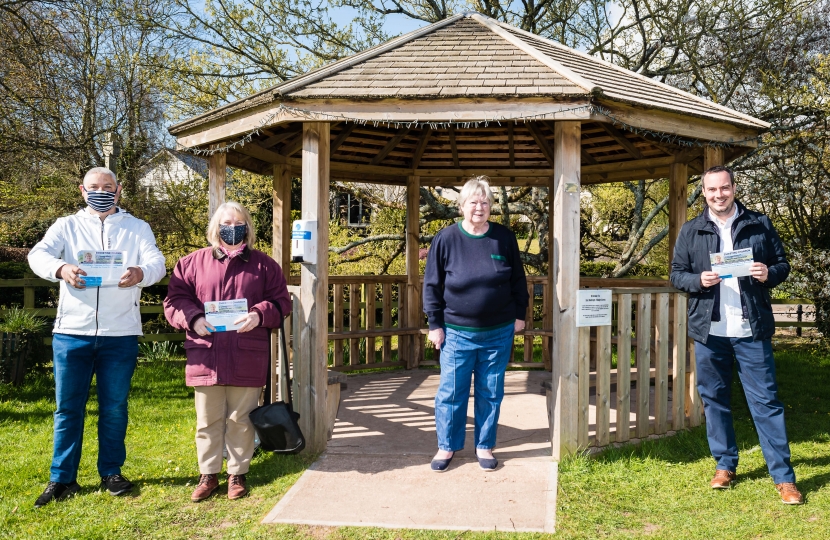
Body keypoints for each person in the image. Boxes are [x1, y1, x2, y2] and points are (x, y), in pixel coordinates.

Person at [27, 167, 167, 508]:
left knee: (115, 408)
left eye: (107, 187)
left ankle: (111, 472)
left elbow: (157, 262)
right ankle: (62, 479)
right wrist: (61, 269)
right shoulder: (66, 226)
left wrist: (141, 273)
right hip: (71, 333)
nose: (101, 191)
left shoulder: (137, 228)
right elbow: (37, 255)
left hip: (120, 333)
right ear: (82, 190)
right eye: (94, 187)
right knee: (67, 409)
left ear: (118, 191)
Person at [670, 165, 803, 504]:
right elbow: (676, 275)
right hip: (710, 331)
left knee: (766, 402)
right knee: (714, 401)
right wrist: (697, 280)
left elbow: (782, 264)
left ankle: (784, 478)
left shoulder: (759, 223)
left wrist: (767, 272)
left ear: (733, 187)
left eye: (724, 188)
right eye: (712, 190)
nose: (719, 195)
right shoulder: (691, 230)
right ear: (704, 193)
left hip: (751, 329)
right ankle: (725, 465)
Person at [164, 201, 290, 502]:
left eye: (238, 222)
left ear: (247, 226)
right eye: (226, 223)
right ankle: (208, 475)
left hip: (247, 353)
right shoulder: (191, 263)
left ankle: (237, 474)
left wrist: (259, 315)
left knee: (240, 418)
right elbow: (174, 301)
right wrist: (193, 319)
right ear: (215, 228)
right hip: (206, 353)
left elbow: (282, 302)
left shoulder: (265, 265)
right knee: (207, 420)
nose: (232, 228)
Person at [423, 177, 529, 472]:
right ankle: (446, 446)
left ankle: (485, 445)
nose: (479, 207)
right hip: (456, 332)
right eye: (473, 202)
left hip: (498, 332)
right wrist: (435, 324)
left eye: (485, 202)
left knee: (490, 391)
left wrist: (520, 314)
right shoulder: (445, 239)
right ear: (461, 206)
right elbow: (432, 285)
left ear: (491, 206)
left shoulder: (504, 238)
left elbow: (518, 280)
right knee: (451, 392)